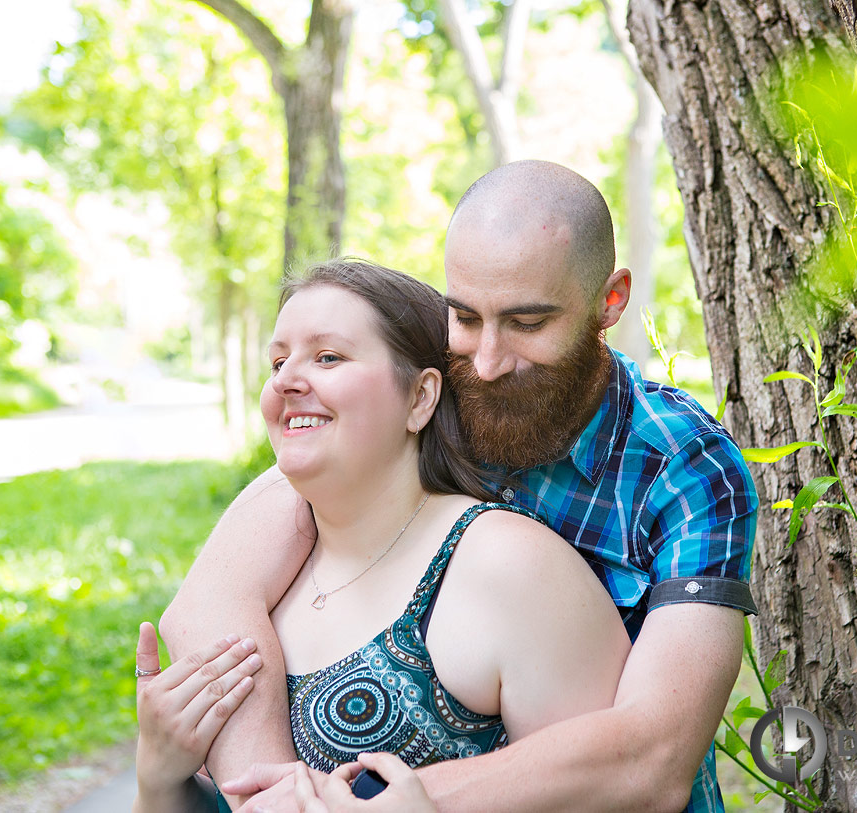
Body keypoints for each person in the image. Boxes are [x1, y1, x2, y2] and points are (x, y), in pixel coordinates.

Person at [161, 160, 759, 812]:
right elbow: (208, 603)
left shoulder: (687, 469)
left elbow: (656, 757)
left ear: (608, 301)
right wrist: (277, 792)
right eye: (466, 316)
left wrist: (387, 801)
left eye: (528, 324)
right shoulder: (435, 389)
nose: (489, 359)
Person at [136, 259, 630, 811]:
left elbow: (610, 795)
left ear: (420, 398)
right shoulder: (264, 575)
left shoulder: (510, 566)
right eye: (278, 361)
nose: (286, 379)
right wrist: (160, 780)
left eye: (328, 357)